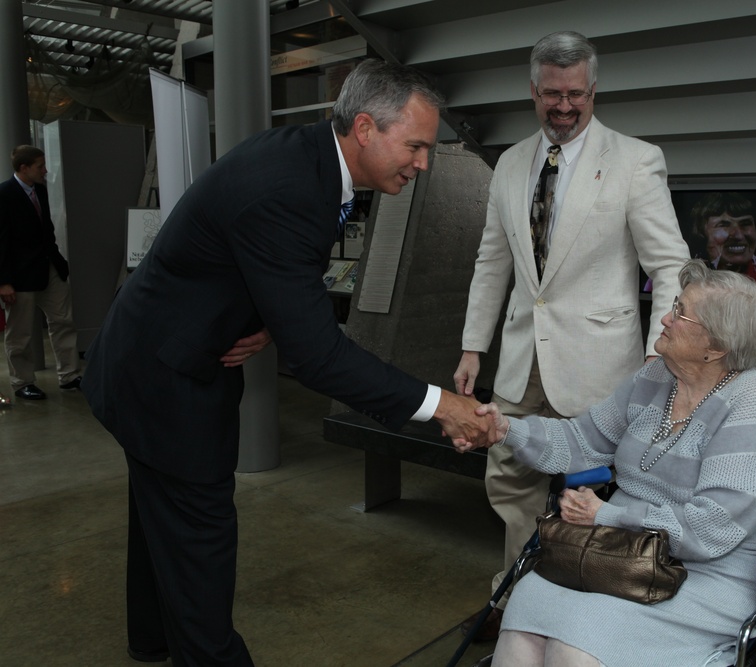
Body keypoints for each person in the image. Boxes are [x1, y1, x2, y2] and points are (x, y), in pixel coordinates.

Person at [82, 59, 494, 666]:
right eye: (416, 146)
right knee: (200, 543)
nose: (423, 162)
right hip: (162, 380)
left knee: (160, 516)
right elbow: (321, 357)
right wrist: (442, 407)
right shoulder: (290, 188)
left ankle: (151, 640)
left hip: (157, 355)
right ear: (363, 129)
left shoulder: (311, 159)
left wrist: (272, 318)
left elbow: (269, 266)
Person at [453, 31, 689, 639]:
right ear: (533, 91)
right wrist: (472, 346)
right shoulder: (508, 162)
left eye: (575, 94)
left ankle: (584, 619)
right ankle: (514, 604)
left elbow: (668, 266)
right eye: (551, 94)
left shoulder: (637, 160)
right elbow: (492, 261)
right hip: (519, 361)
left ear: (593, 89)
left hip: (602, 366)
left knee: (595, 496)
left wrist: (655, 359)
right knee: (510, 484)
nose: (564, 106)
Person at [462, 259, 756, 667]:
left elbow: (711, 530)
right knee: (529, 607)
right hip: (621, 551)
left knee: (576, 646)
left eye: (680, 313)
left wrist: (610, 515)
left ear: (716, 347)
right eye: (674, 305)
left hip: (712, 572)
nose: (666, 319)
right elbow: (582, 439)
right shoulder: (655, 379)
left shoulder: (754, 404)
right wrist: (504, 430)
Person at [0, 145, 83, 401]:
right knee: (21, 332)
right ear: (24, 168)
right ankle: (22, 382)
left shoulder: (41, 192)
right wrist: (4, 282)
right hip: (20, 276)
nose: (45, 170)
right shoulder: (4, 194)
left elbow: (46, 230)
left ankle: (69, 376)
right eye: (40, 166)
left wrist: (59, 262)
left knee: (63, 322)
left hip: (49, 269)